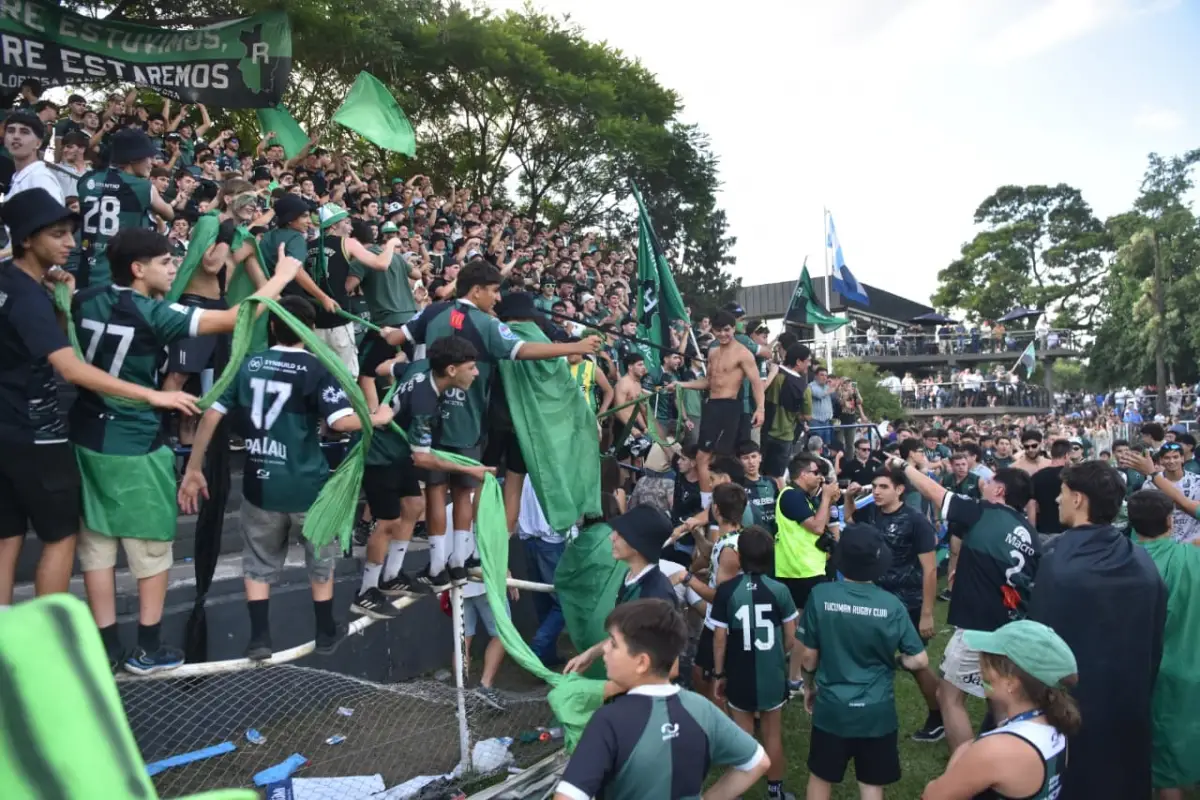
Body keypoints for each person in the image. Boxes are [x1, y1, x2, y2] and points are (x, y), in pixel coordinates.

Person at [71, 228, 300, 674]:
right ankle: (147, 648)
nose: (175, 268)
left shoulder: (85, 298)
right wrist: (283, 275)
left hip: (86, 435)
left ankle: (105, 646)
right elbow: (239, 315)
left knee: (96, 546)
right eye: (165, 262)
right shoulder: (156, 313)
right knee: (152, 548)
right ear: (138, 270)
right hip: (135, 441)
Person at [0, 190, 199, 609]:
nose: (70, 244)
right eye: (57, 235)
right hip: (36, 435)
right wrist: (152, 395)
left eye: (70, 234)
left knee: (7, 536)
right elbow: (70, 369)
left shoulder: (11, 282)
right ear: (25, 240)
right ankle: (51, 636)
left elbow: (43, 339)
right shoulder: (27, 297)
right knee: (59, 538)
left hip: (8, 428)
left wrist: (63, 301)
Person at [178, 296, 394, 660]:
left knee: (258, 562)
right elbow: (340, 422)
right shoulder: (318, 367)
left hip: (259, 482)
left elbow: (211, 414)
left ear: (272, 327)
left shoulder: (246, 364)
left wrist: (193, 468)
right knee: (320, 558)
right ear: (309, 330)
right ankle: (325, 630)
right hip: (306, 483)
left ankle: (259, 638)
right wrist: (378, 417)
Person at [379, 261, 600, 589]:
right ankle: (460, 561)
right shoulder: (486, 324)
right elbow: (524, 350)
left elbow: (396, 336)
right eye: (494, 291)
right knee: (465, 492)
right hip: (469, 417)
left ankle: (437, 564)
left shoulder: (433, 311)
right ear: (476, 289)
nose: (497, 298)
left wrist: (388, 335)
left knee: (436, 492)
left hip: (432, 408)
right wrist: (574, 346)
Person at [1028, 460, 1166, 800]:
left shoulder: (1057, 564)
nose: (1057, 501)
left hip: (1072, 712)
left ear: (1078, 499)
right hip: (1128, 705)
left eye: (1061, 493)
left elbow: (1038, 650)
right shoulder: (1141, 559)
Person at [888, 451, 1039, 753]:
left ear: (1000, 491)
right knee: (1000, 696)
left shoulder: (983, 511)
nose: (985, 481)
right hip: (1014, 626)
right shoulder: (1028, 533)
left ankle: (965, 766)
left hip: (979, 627)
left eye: (991, 480)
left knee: (949, 696)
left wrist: (902, 465)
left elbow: (934, 492)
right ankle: (1003, 759)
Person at [552, 599, 770, 800]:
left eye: (613, 643)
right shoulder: (702, 709)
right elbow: (758, 762)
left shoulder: (608, 721)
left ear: (642, 663)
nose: (605, 649)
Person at [356, 337, 494, 618]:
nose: (476, 373)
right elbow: (424, 458)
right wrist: (470, 470)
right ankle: (365, 591)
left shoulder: (419, 366)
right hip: (379, 455)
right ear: (452, 370)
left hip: (398, 452)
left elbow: (386, 369)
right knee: (388, 522)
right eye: (472, 367)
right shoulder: (424, 403)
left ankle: (391, 575)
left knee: (415, 506)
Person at [798, 524, 929, 800]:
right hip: (876, 711)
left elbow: (808, 657)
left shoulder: (820, 596)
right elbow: (919, 659)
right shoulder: (892, 605)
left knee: (821, 776)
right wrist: (895, 661)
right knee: (871, 784)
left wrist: (808, 686)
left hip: (832, 707)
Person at [921, 620, 1080, 800]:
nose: (981, 670)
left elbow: (932, 796)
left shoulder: (995, 749)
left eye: (987, 664)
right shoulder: (1054, 723)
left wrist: (963, 752)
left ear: (1010, 682)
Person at [847, 466, 944, 743]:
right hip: (875, 599)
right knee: (867, 658)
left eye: (883, 487)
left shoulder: (916, 521)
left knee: (917, 664)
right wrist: (850, 498)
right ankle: (866, 714)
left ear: (900, 489)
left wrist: (927, 614)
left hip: (908, 603)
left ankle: (939, 715)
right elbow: (852, 523)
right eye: (874, 486)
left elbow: (930, 570)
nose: (876, 491)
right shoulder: (872, 511)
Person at [710, 525, 797, 800]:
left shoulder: (726, 591)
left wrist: (719, 673)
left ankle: (736, 790)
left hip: (739, 673)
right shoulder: (780, 590)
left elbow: (720, 638)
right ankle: (775, 791)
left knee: (742, 736)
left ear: (739, 555)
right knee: (773, 733)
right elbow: (791, 638)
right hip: (771, 674)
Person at [1123, 491, 1200, 799]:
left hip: (1146, 675)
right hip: (1187, 670)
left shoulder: (1122, 563)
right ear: (1170, 520)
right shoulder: (1192, 556)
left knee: (1161, 766)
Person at [562, 505, 676, 675]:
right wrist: (591, 654)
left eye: (621, 535)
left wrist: (606, 691)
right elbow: (627, 633)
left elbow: (670, 669)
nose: (612, 538)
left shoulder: (656, 596)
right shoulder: (630, 578)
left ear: (638, 545)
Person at [674, 309, 764, 498]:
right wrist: (680, 384)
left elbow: (756, 382)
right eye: (718, 330)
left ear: (733, 329)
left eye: (727, 330)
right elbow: (708, 382)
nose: (723, 334)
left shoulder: (743, 353)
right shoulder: (713, 352)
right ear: (713, 331)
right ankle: (708, 502)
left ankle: (730, 499)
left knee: (720, 458)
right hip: (711, 407)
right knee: (703, 457)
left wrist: (760, 409)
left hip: (729, 407)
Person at [774, 453, 840, 692]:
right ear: (802, 474)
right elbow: (816, 526)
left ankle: (794, 675)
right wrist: (825, 499)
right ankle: (793, 677)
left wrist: (828, 500)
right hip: (798, 572)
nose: (820, 477)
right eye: (816, 472)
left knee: (804, 627)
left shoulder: (802, 497)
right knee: (802, 628)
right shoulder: (791, 496)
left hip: (809, 569)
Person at [77, 128, 174, 288]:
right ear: (133, 158)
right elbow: (169, 214)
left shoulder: (87, 179)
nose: (152, 162)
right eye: (148, 157)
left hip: (84, 271)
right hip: (117, 276)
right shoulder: (143, 187)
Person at [675, 483, 746, 699]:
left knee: (706, 677)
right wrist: (697, 535)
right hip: (715, 620)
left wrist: (687, 579)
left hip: (721, 622)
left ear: (716, 510)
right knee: (701, 673)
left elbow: (720, 597)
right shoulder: (729, 539)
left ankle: (718, 720)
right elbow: (711, 551)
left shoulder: (729, 549)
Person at [761, 342, 811, 479]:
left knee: (758, 474)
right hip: (785, 436)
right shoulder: (804, 387)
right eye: (807, 361)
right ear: (798, 362)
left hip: (762, 431)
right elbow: (807, 416)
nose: (809, 364)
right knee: (777, 478)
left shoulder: (772, 374)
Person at [1029, 439, 1071, 541]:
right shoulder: (1073, 476)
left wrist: (1031, 534)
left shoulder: (1036, 476)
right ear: (1066, 455)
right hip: (1068, 532)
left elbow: (1031, 505)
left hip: (1043, 531)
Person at [738, 441, 782, 533]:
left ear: (760, 458)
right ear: (739, 461)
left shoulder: (771, 482)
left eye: (754, 456)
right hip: (752, 537)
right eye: (745, 458)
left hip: (775, 534)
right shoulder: (739, 486)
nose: (751, 462)